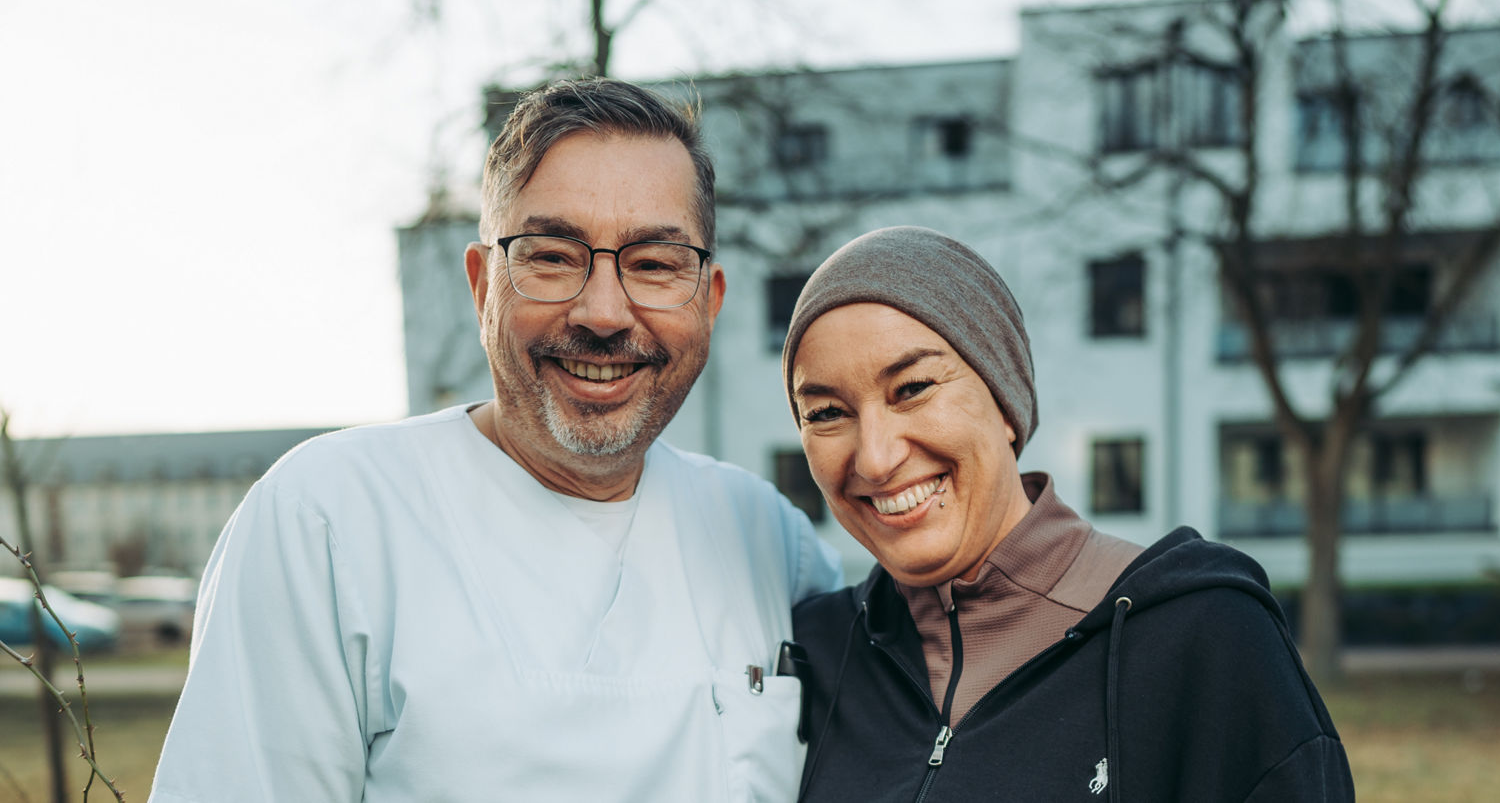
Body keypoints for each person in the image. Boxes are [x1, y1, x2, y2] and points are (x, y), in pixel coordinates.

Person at [151, 78, 841, 802]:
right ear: (483, 286)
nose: (604, 312)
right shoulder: (328, 522)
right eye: (552, 256)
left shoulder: (766, 536)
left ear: (709, 300)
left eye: (655, 264)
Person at [782, 226, 1354, 802]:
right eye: (827, 412)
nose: (877, 459)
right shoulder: (813, 654)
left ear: (1005, 404)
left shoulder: (1205, 634)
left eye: (913, 388)